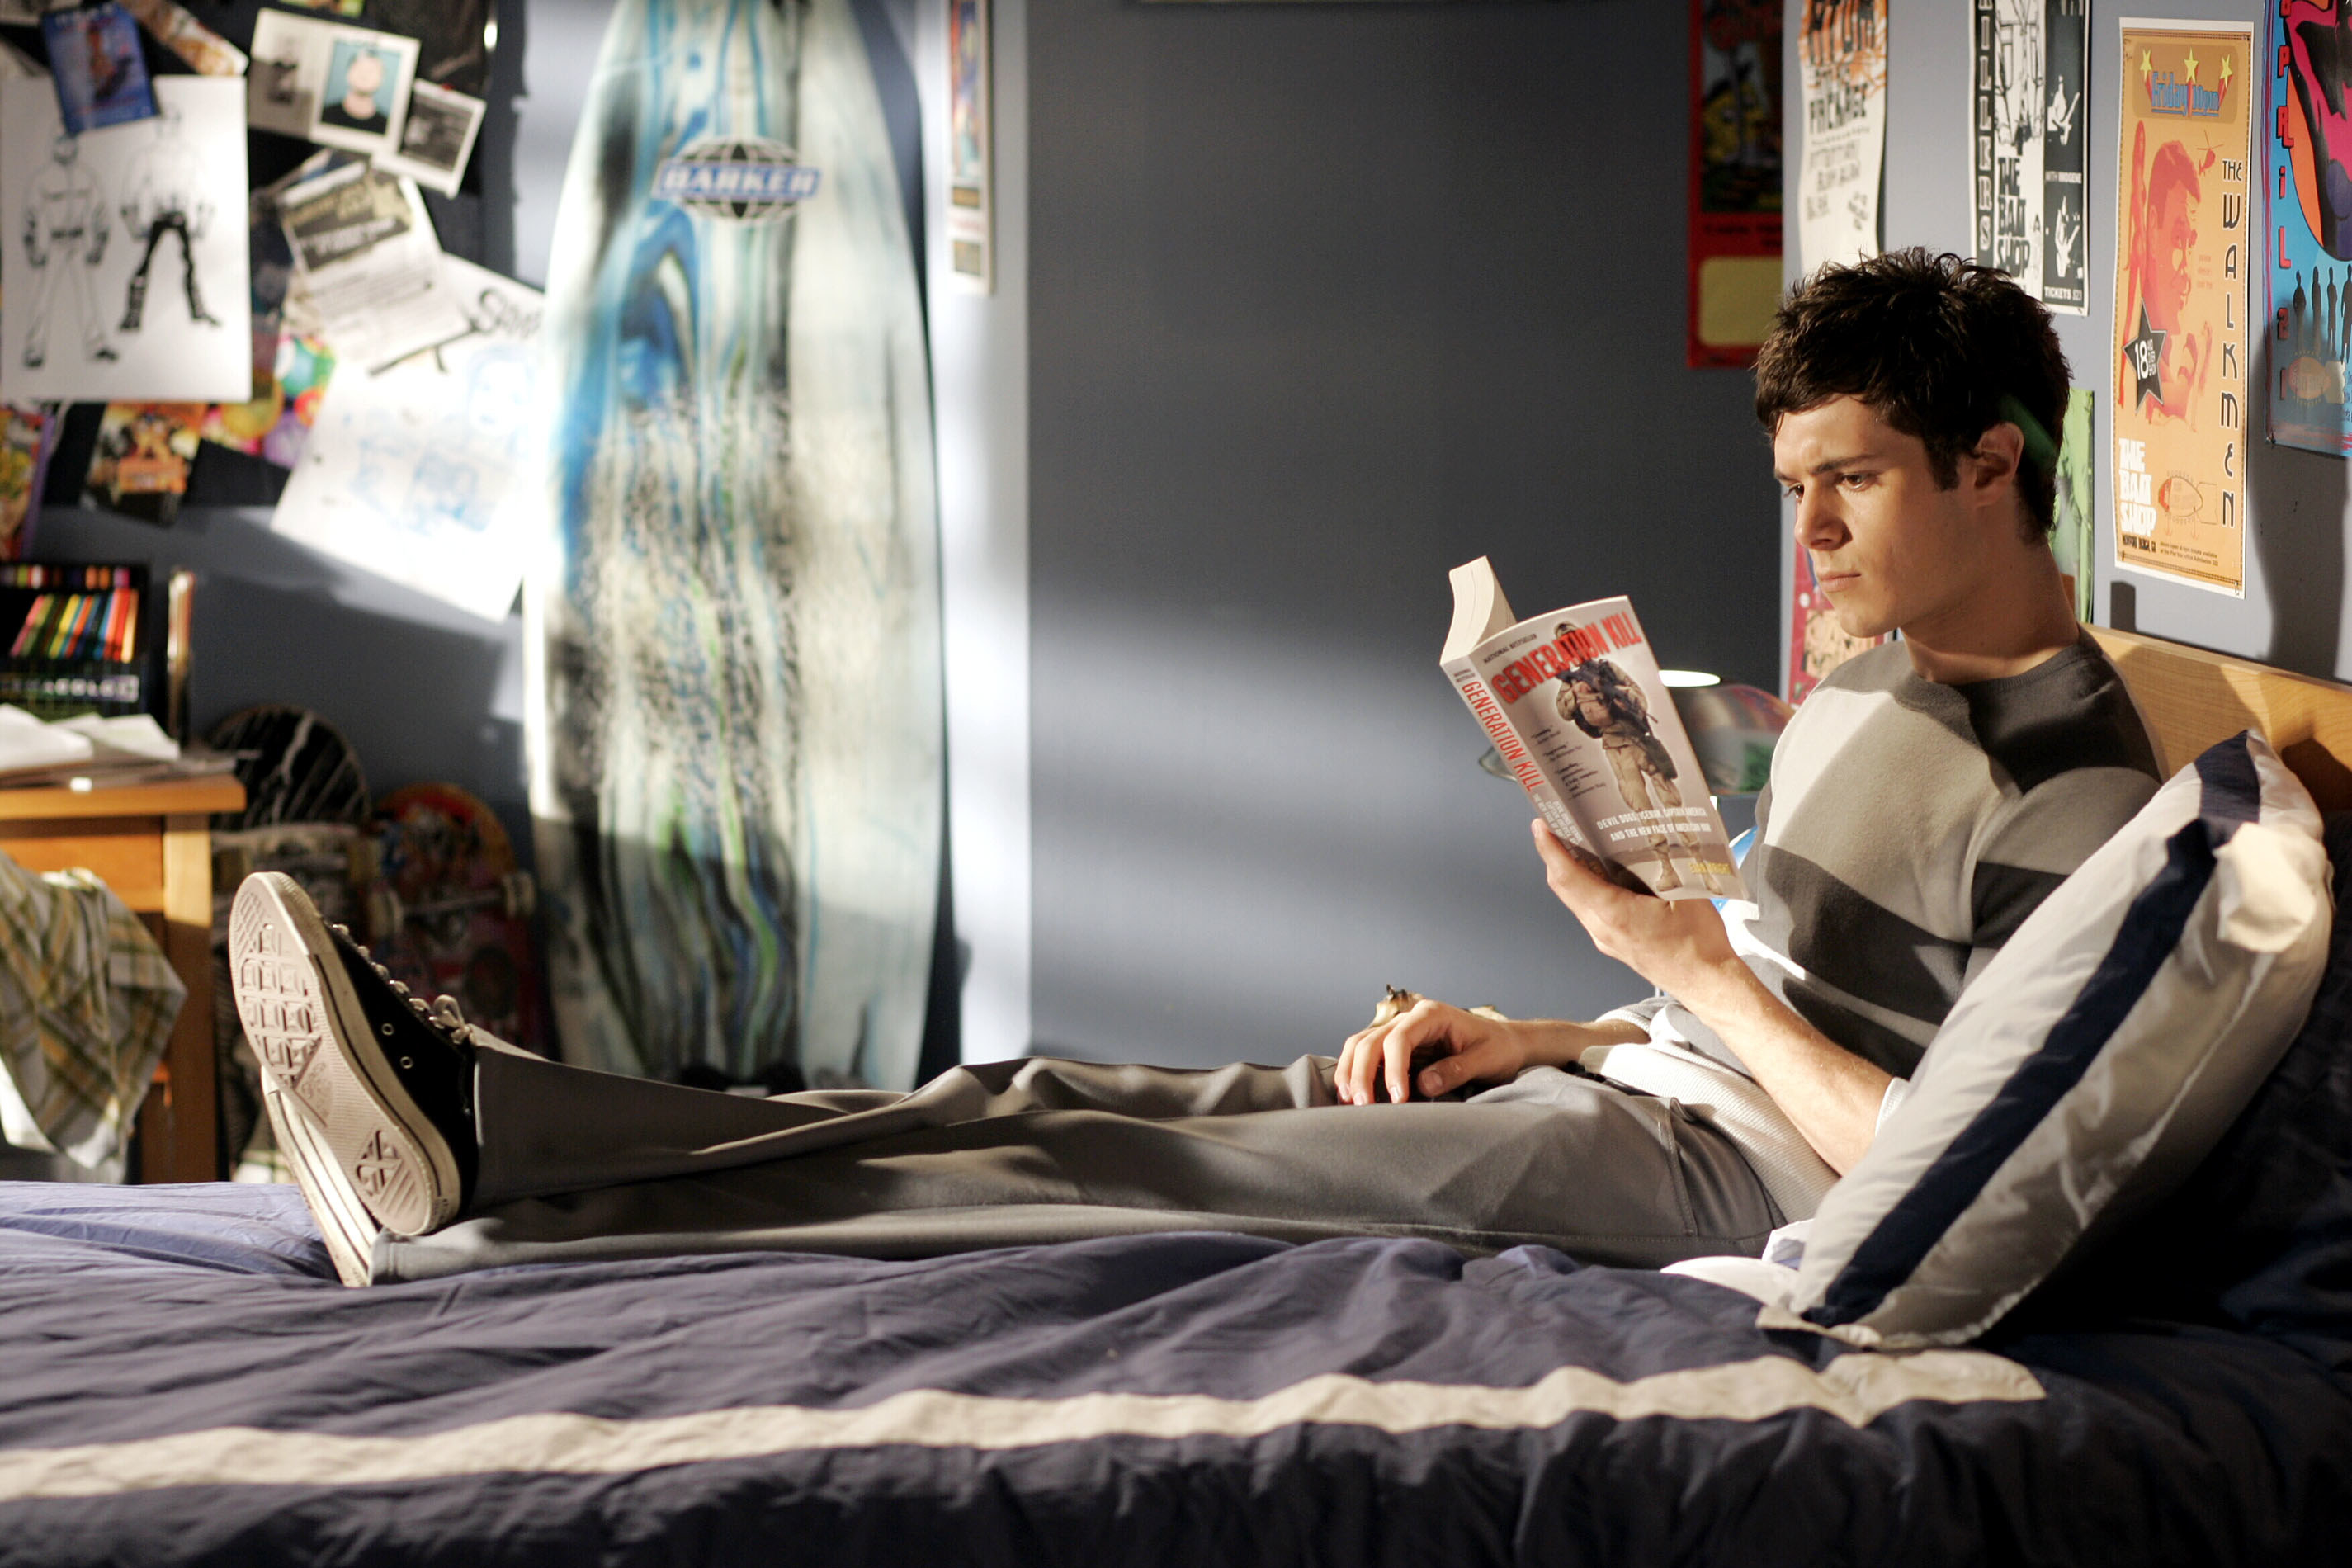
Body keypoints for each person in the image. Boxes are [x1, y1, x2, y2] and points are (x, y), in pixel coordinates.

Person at [234, 248, 2163, 1288]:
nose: (1808, 537)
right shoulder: (1863, 686)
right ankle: (504, 1121)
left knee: (1098, 1165)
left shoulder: (2079, 791)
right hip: (1648, 1078)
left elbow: (1954, 1154)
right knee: (1033, 1083)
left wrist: (1690, 977)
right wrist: (1545, 1025)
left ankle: (494, 1190)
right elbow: (1758, 984)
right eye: (1791, 489)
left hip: (1712, 1174)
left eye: (1849, 487)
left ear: (1994, 466)